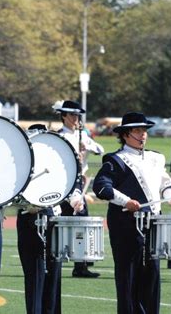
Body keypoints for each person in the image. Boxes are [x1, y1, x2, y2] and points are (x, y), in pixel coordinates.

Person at [93, 112, 171, 313]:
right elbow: (101, 187)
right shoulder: (116, 160)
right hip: (125, 224)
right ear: (125, 134)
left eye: (144, 131)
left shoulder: (156, 158)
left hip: (153, 223)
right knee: (128, 275)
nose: (143, 135)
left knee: (152, 273)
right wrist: (126, 201)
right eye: (137, 131)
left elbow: (166, 183)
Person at [16, 123, 85, 314]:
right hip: (30, 221)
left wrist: (75, 199)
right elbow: (12, 195)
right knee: (35, 277)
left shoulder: (53, 162)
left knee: (54, 276)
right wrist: (27, 206)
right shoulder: (21, 165)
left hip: (54, 220)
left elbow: (69, 186)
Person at [52, 100, 104, 278]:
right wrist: (75, 158)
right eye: (72, 115)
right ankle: (57, 258)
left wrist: (86, 146)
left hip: (79, 182)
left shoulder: (83, 135)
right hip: (65, 183)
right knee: (62, 221)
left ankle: (80, 265)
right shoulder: (60, 136)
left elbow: (100, 149)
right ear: (64, 116)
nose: (76, 119)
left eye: (77, 116)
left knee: (81, 222)